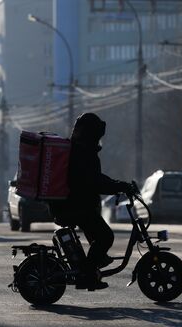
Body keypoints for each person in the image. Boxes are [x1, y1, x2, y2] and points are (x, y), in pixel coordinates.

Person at [50, 112, 133, 291]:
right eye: (96, 135)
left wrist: (118, 185)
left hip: (73, 205)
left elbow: (95, 179)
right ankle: (87, 275)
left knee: (98, 236)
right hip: (75, 207)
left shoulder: (79, 149)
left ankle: (91, 267)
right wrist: (121, 186)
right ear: (90, 134)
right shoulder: (81, 152)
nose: (99, 139)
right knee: (105, 237)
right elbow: (94, 181)